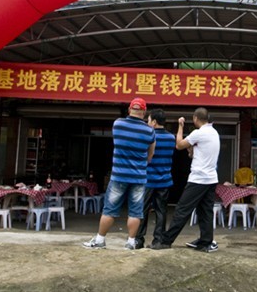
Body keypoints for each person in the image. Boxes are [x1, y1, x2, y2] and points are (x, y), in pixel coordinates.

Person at [83, 98, 155, 250]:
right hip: (139, 177)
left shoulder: (118, 124)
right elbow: (150, 156)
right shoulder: (150, 131)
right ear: (144, 112)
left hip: (119, 176)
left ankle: (100, 240)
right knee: (135, 212)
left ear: (129, 109)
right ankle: (131, 243)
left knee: (109, 210)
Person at [151, 107, 220, 253]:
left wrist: (180, 126)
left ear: (195, 118)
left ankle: (166, 240)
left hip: (198, 179)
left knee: (182, 210)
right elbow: (195, 153)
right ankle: (205, 242)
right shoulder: (214, 133)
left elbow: (179, 145)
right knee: (205, 211)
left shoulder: (199, 133)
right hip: (211, 179)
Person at [134, 108, 174, 249]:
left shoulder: (148, 137)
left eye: (149, 120)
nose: (147, 123)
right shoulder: (171, 138)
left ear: (154, 122)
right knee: (161, 211)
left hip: (148, 180)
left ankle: (139, 240)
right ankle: (158, 241)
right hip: (165, 180)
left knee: (143, 210)